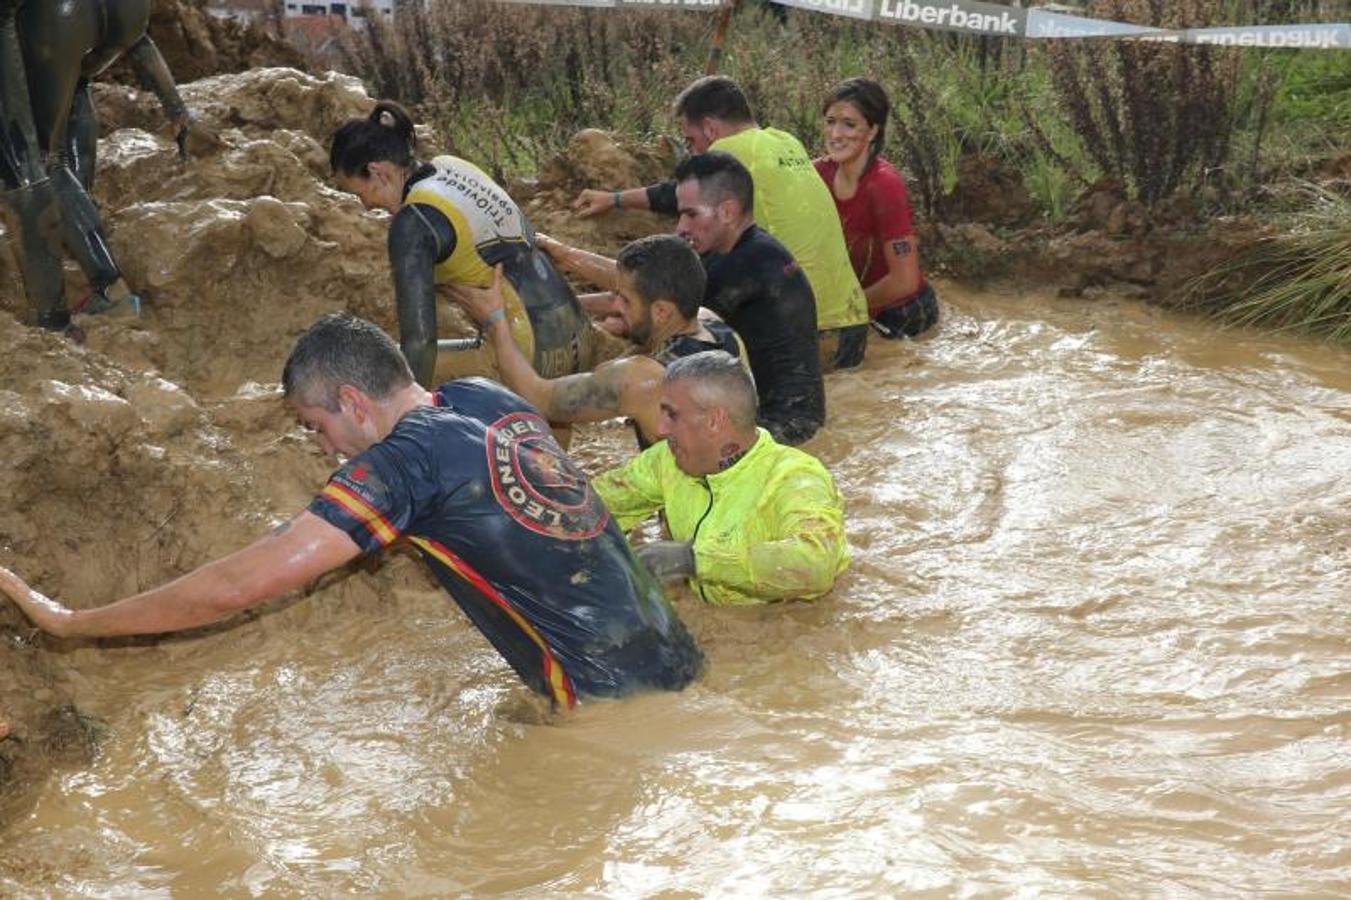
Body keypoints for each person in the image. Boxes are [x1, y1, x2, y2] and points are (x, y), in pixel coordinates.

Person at [0, 313, 703, 708]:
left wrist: (70, 620)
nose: (325, 447)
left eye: (316, 426)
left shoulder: (402, 464)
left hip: (611, 703)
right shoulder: (485, 397)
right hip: (677, 661)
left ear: (354, 403)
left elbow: (239, 587)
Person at [571, 75, 870, 371]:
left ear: (711, 128)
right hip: (854, 325)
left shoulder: (726, 151)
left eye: (691, 141)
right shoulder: (786, 141)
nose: (693, 152)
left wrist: (614, 199)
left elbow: (676, 193)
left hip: (811, 336)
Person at [547, 152, 826, 447]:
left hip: (785, 430)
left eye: (691, 214)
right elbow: (641, 294)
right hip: (793, 421)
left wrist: (567, 265)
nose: (681, 227)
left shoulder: (746, 266)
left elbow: (648, 291)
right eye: (680, 214)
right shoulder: (753, 250)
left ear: (728, 211)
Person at [329, 101, 595, 389]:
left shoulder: (413, 221)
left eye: (359, 192)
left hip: (529, 354)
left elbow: (420, 341)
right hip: (578, 336)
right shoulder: (452, 167)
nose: (366, 205)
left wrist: (407, 414)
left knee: (378, 376)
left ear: (378, 172)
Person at [593, 351, 849, 607]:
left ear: (715, 421)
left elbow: (816, 562)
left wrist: (691, 559)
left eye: (672, 415)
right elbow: (591, 504)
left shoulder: (795, 477)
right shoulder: (666, 461)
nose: (660, 429)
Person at [451, 234, 742, 449]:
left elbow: (539, 397)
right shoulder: (718, 329)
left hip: (697, 528)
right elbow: (650, 285)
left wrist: (495, 321)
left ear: (662, 312)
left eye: (625, 301)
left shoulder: (641, 379)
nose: (615, 307)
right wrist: (568, 255)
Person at [2, 0, 190, 329]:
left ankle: (81, 304)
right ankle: (76, 229)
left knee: (38, 160)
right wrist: (177, 110)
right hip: (129, 11)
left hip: (56, 15)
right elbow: (139, 41)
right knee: (75, 85)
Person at [815, 78, 939, 339]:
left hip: (902, 312)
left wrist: (843, 311)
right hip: (854, 307)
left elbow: (904, 281)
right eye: (830, 122)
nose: (836, 134)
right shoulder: (816, 174)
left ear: (872, 131)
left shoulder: (884, 185)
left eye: (849, 124)